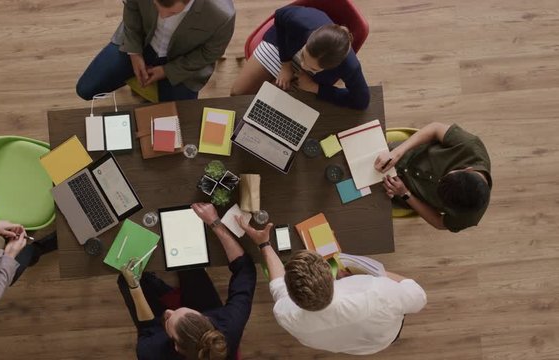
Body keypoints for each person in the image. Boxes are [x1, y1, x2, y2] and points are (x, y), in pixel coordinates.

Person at [237, 217, 427, 355]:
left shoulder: (285, 313)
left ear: (291, 293)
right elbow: (418, 297)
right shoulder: (378, 292)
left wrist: (264, 244)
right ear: (330, 274)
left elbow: (276, 284)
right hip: (381, 338)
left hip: (348, 345)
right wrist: (380, 274)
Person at [117, 203, 256, 360]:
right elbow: (245, 270)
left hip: (157, 329)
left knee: (125, 279)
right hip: (207, 310)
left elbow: (148, 328)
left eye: (169, 319)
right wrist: (215, 222)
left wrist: (134, 287)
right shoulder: (228, 326)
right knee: (189, 262)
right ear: (206, 319)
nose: (169, 311)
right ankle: (161, 288)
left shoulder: (152, 352)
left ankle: (154, 285)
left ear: (175, 346)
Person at [76, 0, 236, 102]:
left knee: (176, 124)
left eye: (173, 13)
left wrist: (167, 71)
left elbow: (209, 53)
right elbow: (132, 9)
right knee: (85, 89)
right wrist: (134, 52)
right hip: (139, 41)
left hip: (184, 63)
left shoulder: (222, 15)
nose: (163, 17)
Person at [231, 5, 370, 110]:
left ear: (332, 67)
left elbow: (361, 101)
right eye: (304, 55)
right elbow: (279, 16)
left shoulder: (350, 66)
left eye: (312, 67)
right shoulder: (301, 20)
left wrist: (315, 88)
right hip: (284, 48)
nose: (302, 65)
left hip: (309, 80)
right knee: (237, 94)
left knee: (266, 106)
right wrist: (285, 65)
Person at [375, 122, 492, 232]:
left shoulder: (469, 217)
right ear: (468, 169)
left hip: (394, 194)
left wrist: (405, 194)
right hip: (398, 153)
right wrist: (397, 153)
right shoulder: (471, 147)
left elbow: (439, 223)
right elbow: (435, 129)